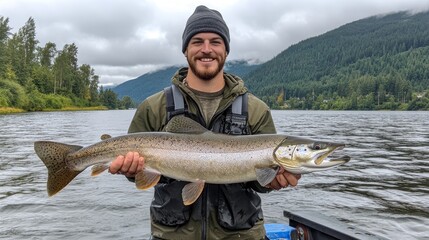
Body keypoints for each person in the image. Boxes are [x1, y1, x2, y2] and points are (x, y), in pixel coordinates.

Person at [109, 5, 301, 240]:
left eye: (216, 42)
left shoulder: (255, 110)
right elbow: (137, 174)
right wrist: (130, 171)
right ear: (186, 49)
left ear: (227, 51)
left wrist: (273, 181)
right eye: (197, 41)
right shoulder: (153, 107)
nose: (206, 49)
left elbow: (259, 183)